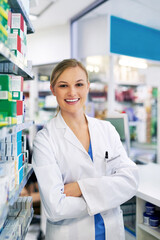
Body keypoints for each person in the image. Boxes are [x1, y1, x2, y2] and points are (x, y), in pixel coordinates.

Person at [32, 59, 139, 240]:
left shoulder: (107, 130)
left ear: (88, 87)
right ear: (52, 89)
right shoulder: (45, 139)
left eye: (79, 84)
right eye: (63, 85)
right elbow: (55, 207)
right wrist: (109, 193)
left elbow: (130, 182)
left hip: (111, 232)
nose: (72, 92)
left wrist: (80, 187)